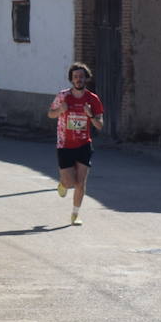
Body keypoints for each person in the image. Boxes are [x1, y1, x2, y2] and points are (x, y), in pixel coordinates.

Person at [48, 63, 104, 226]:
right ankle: (63, 183)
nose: (78, 80)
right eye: (75, 77)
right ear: (71, 79)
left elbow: (100, 125)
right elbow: (50, 114)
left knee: (81, 183)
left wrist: (90, 114)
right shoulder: (63, 96)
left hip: (84, 145)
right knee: (70, 183)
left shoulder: (92, 99)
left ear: (86, 78)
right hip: (64, 144)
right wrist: (60, 110)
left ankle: (75, 214)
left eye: (81, 76)